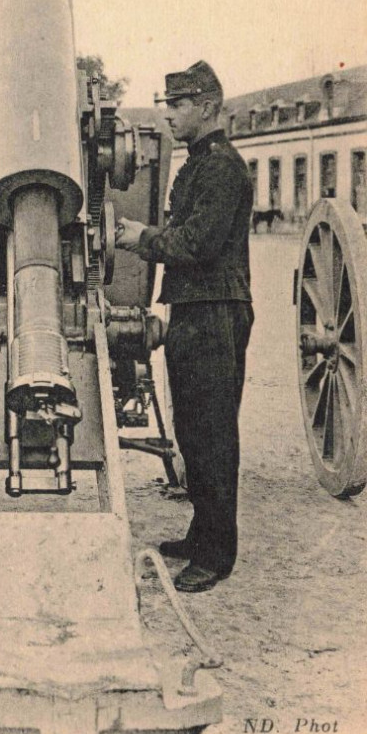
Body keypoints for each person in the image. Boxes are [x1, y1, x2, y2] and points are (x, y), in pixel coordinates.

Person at [116, 61, 253, 593]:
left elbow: (196, 244)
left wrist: (141, 237)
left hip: (216, 310)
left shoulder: (220, 168)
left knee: (213, 431)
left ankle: (217, 554)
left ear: (208, 107)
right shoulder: (199, 163)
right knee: (193, 428)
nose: (168, 113)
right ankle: (202, 534)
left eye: (178, 104)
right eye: (168, 104)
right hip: (196, 308)